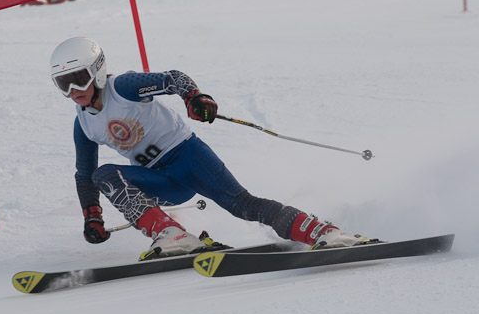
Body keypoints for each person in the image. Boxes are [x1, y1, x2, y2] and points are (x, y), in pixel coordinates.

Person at [49, 37, 368, 261]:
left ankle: (321, 231)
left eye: (79, 79)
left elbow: (173, 78)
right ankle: (172, 234)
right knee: (103, 173)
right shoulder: (84, 125)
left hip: (188, 157)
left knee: (242, 205)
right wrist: (92, 216)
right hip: (160, 180)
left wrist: (194, 98)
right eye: (64, 83)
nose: (74, 90)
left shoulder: (124, 87)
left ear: (98, 70)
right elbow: (84, 175)